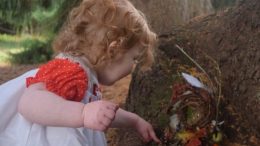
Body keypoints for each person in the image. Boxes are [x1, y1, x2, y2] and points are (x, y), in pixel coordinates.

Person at [0, 0, 160, 145]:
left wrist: (135, 121)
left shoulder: (86, 75)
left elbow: (103, 114)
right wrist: (82, 114)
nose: (132, 67)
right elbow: (29, 102)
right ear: (114, 50)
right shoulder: (72, 70)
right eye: (134, 59)